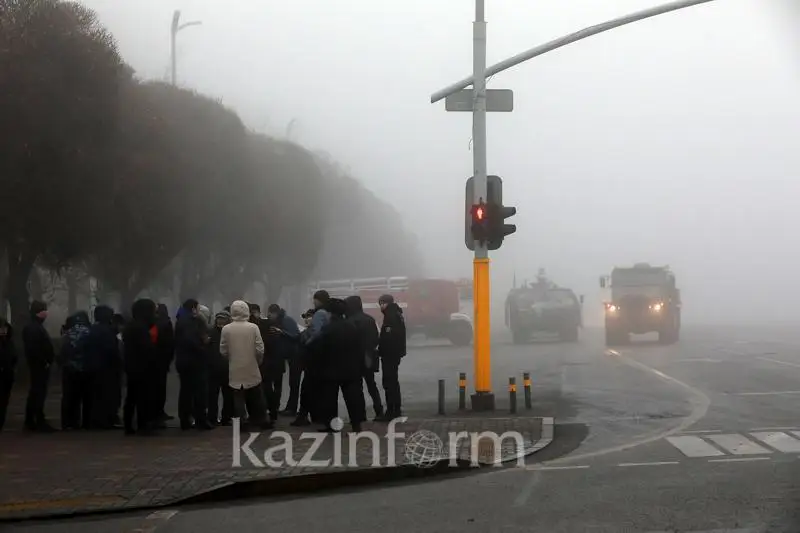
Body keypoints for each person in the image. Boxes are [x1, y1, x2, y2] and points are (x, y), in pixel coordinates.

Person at [315, 298, 366, 432]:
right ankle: (356, 424)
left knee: (330, 400)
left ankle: (332, 426)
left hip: (331, 369)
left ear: (331, 313)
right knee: (353, 398)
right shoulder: (352, 326)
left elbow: (320, 350)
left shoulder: (327, 329)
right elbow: (359, 348)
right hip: (351, 369)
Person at [220, 300, 271, 431]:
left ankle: (242, 421)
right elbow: (260, 349)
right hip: (251, 365)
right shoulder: (253, 327)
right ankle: (262, 419)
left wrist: (230, 359)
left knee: (238, 396)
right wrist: (258, 361)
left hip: (235, 367)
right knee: (257, 394)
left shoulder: (226, 329)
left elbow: (223, 350)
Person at [174, 299, 213, 430]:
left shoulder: (181, 320)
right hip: (194, 361)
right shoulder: (189, 321)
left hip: (183, 361)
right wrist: (203, 347)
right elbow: (190, 340)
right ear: (193, 308)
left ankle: (185, 419)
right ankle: (200, 419)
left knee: (185, 391)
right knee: (199, 391)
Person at [344, 295, 384, 420]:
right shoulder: (369, 319)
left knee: (357, 387)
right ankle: (379, 411)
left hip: (354, 358)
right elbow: (376, 338)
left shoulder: (349, 321)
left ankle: (360, 414)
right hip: (369, 357)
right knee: (371, 385)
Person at [122, 299, 159, 435]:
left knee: (132, 396)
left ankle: (129, 424)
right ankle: (142, 424)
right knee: (142, 396)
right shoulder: (140, 328)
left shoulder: (131, 325)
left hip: (132, 366)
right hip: (142, 367)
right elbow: (146, 348)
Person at [86, 305, 121, 429]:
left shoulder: (92, 329)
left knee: (96, 395)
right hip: (107, 368)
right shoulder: (108, 331)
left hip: (93, 366)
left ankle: (96, 420)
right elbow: (111, 350)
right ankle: (106, 420)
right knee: (108, 395)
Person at [23, 300, 55, 432]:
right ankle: (36, 420)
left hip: (39, 365)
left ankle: (33, 420)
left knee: (37, 392)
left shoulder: (34, 327)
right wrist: (45, 361)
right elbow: (35, 349)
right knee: (38, 393)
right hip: (39, 366)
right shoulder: (34, 328)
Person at [263, 304, 300, 420]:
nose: (269, 317)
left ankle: (292, 408)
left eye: (270, 314)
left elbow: (296, 335)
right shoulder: (276, 321)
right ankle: (286, 407)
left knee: (294, 383)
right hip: (284, 356)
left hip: (294, 354)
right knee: (289, 382)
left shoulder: (287, 320)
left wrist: (282, 332)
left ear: (275, 313)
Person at [58, 311, 93, 430]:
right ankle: (87, 422)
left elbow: (61, 352)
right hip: (86, 368)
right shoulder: (89, 332)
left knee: (69, 397)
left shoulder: (67, 334)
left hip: (69, 369)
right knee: (87, 397)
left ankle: (68, 423)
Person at [377, 294, 406, 421]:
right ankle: (396, 408)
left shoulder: (390, 316)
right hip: (395, 354)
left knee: (389, 383)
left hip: (390, 355)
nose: (381, 306)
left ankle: (391, 411)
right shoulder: (396, 314)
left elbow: (388, 339)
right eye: (380, 304)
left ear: (388, 303)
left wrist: (380, 349)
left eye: (383, 303)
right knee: (393, 381)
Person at [207, 310, 233, 426]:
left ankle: (226, 417)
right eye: (219, 319)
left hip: (227, 368)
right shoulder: (211, 332)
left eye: (223, 319)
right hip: (213, 368)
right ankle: (212, 417)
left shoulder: (231, 333)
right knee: (213, 395)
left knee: (228, 395)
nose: (220, 321)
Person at [154, 304, 175, 422]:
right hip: (163, 360)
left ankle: (156, 412)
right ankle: (159, 412)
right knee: (161, 388)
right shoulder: (166, 323)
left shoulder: (153, 323)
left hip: (154, 359)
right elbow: (170, 343)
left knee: (155, 388)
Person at [0, 317, 16, 431]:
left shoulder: (8, 342)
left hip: (7, 375)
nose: (3, 330)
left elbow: (13, 357)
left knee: (4, 401)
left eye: (4, 327)